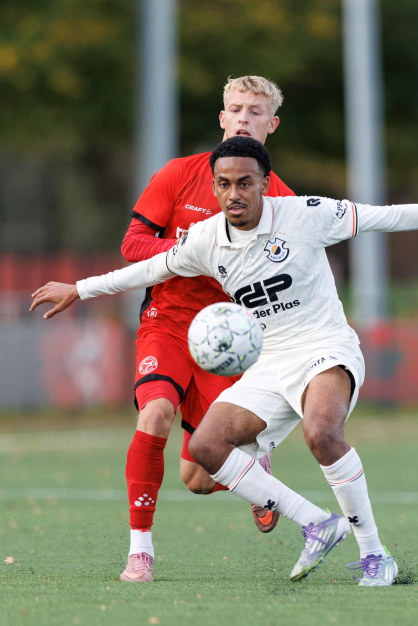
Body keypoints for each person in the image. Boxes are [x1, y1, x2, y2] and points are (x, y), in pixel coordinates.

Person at [31, 136, 418, 586]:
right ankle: (316, 523)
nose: (233, 194)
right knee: (205, 447)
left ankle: (374, 555)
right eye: (224, 184)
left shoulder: (306, 215)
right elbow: (148, 268)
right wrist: (79, 289)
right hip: (270, 362)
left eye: (245, 183)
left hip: (325, 348)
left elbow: (389, 216)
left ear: (265, 184)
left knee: (322, 434)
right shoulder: (206, 238)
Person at [117, 75, 294, 583]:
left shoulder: (282, 199)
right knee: (154, 415)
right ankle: (140, 552)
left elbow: (288, 275)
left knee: (197, 476)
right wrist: (190, 254)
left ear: (272, 124)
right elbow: (132, 244)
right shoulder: (179, 174)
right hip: (169, 324)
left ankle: (253, 469)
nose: (243, 118)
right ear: (221, 118)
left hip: (231, 341)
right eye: (235, 109)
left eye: (255, 112)